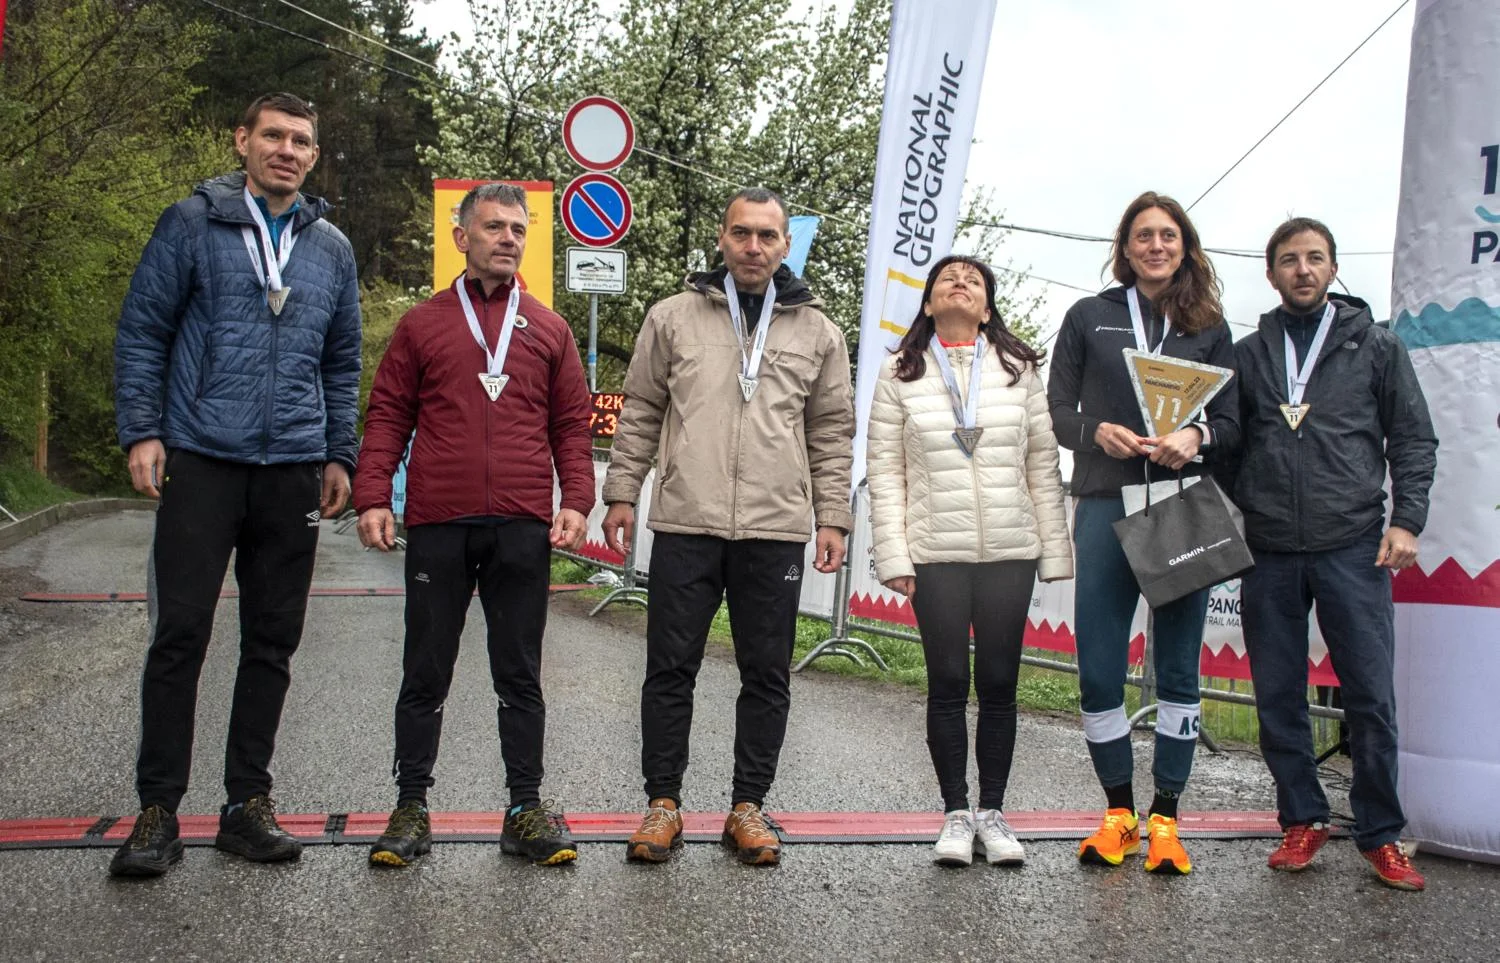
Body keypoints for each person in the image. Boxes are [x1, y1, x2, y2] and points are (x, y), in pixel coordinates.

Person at [109, 92, 362, 877]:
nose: (287, 150)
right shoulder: (191, 223)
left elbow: (342, 361)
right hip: (203, 457)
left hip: (292, 468)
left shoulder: (331, 248)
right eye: (273, 135)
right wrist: (142, 430)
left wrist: (338, 453)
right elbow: (144, 330)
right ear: (242, 140)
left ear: (314, 156)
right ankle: (157, 810)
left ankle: (247, 803)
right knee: (180, 634)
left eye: (301, 140)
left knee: (273, 640)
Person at [601, 187, 854, 866]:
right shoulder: (672, 316)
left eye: (767, 236)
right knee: (669, 667)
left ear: (785, 245)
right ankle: (663, 804)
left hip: (775, 528)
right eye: (742, 233)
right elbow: (641, 409)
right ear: (722, 237)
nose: (753, 246)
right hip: (687, 520)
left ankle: (748, 807)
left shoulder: (818, 332)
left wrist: (833, 515)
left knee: (766, 673)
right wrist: (621, 490)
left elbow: (832, 431)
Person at [352, 183, 594, 867]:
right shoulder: (422, 325)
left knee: (519, 672)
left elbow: (570, 425)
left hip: (521, 524)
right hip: (440, 522)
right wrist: (374, 495)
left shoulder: (549, 328)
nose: (508, 238)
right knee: (425, 669)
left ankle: (525, 807)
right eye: (493, 226)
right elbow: (389, 414)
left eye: (518, 228)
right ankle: (410, 806)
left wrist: (577, 499)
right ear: (462, 237)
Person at [1232, 218, 1436, 891]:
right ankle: (1302, 818)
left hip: (1352, 545)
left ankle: (1380, 833)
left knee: (1370, 695)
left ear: (1333, 269)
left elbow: (1413, 438)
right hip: (1268, 550)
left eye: (1315, 258)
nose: (1303, 269)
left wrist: (1406, 520)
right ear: (1271, 274)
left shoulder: (1376, 346)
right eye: (1289, 259)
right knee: (1278, 694)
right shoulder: (1249, 353)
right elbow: (1229, 443)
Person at [1046, 191, 1239, 876]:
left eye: (1168, 236)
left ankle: (1166, 819)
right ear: (1125, 248)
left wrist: (1198, 434)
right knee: (1099, 664)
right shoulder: (1089, 316)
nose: (1156, 246)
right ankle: (1118, 814)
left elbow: (1233, 422)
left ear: (1185, 247)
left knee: (1179, 666)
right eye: (1143, 236)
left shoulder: (1208, 325)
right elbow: (1055, 410)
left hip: (1181, 504)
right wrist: (1093, 431)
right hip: (1105, 500)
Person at [867, 255, 1072, 867]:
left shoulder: (1018, 371)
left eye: (974, 281)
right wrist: (894, 555)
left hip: (1010, 550)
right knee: (949, 681)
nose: (960, 283)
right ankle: (956, 813)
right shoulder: (899, 372)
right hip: (936, 553)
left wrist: (1054, 552)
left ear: (986, 309)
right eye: (947, 279)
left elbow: (1042, 465)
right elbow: (886, 471)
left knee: (1001, 684)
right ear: (929, 303)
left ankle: (994, 812)